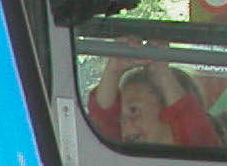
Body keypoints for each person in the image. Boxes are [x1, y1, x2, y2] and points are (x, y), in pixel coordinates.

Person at [87, 52, 219, 149]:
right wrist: (113, 71)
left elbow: (192, 126)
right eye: (121, 117)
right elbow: (102, 121)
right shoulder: (126, 157)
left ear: (169, 111)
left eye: (134, 110)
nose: (124, 124)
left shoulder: (204, 157)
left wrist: (162, 73)